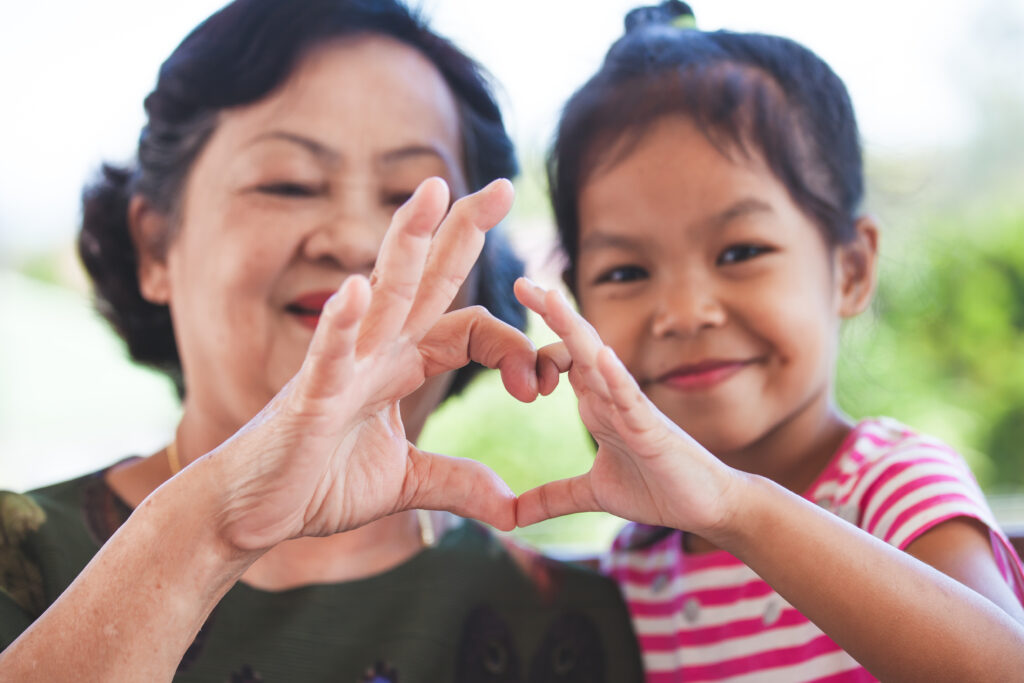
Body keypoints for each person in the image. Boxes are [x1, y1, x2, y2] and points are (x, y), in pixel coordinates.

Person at [0, 0, 643, 679]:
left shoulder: (574, 625)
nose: (358, 240)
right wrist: (210, 529)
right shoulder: (21, 559)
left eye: (410, 198)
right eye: (289, 183)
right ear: (156, 245)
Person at [512, 2, 1024, 680]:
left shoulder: (892, 485)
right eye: (626, 271)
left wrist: (738, 507)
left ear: (851, 268)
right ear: (579, 308)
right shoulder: (640, 566)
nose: (686, 312)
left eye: (741, 250)